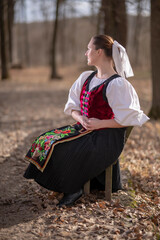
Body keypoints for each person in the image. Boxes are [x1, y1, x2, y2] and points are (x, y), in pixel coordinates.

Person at [24, 35, 149, 207]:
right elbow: (73, 107)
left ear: (98, 52)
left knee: (63, 147)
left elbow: (129, 119)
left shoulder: (118, 84)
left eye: (89, 49)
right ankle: (67, 182)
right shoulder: (86, 77)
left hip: (106, 137)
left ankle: (73, 188)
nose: (86, 53)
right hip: (83, 128)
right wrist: (80, 118)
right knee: (46, 139)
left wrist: (100, 124)